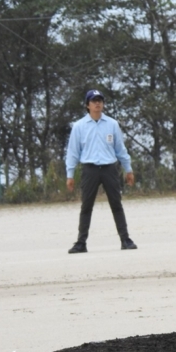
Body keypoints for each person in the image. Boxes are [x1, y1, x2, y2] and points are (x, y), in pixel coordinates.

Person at [65, 89, 138, 253]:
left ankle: (125, 239)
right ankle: (81, 242)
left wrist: (128, 169)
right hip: (89, 169)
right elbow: (73, 152)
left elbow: (120, 149)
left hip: (109, 168)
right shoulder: (79, 126)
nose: (97, 103)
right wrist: (70, 174)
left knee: (116, 204)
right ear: (87, 105)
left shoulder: (112, 124)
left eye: (100, 100)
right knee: (86, 206)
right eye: (94, 101)